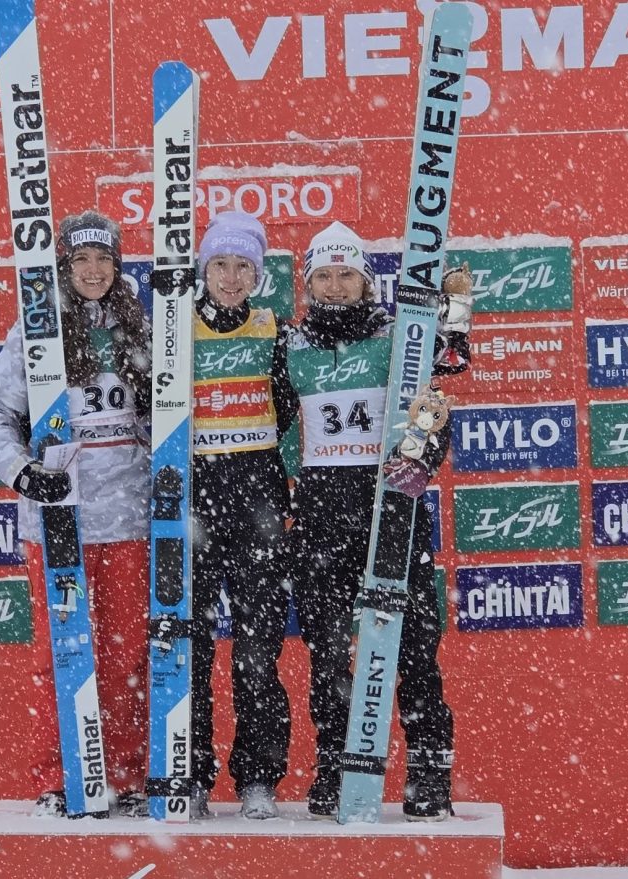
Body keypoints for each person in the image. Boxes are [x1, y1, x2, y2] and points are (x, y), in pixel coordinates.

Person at [283, 220, 471, 821]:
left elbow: (437, 397)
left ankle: (429, 773)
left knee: (413, 649)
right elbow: (275, 425)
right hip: (321, 517)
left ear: (367, 282)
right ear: (308, 284)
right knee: (329, 653)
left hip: (391, 510)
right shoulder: (290, 346)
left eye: (347, 274)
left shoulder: (399, 336)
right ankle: (338, 768)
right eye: (324, 276)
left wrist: (423, 459)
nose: (336, 286)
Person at [0, 211, 152, 818]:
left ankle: (124, 775)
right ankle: (61, 777)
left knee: (127, 658)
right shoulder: (36, 330)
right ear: (63, 268)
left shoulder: (140, 327)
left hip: (128, 517)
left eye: (104, 259)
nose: (93, 271)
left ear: (117, 266)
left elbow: (162, 418)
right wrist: (20, 471)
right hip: (58, 519)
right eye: (81, 260)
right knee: (65, 656)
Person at [188, 210, 298, 819]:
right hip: (196, 505)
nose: (231, 278)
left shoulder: (273, 330)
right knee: (192, 648)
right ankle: (191, 774)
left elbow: (289, 411)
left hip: (258, 505)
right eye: (220, 266)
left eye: (243, 267)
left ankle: (258, 777)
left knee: (257, 651)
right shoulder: (175, 329)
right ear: (204, 271)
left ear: (258, 275)